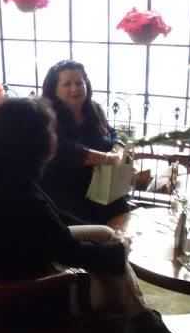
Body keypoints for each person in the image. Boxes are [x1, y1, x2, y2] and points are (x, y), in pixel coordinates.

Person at [0, 97, 190, 333]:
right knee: (116, 282)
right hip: (26, 299)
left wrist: (105, 236)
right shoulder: (22, 198)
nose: (54, 136)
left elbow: (52, 220)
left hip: (11, 266)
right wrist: (120, 251)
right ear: (33, 143)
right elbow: (70, 252)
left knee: (106, 236)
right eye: (49, 131)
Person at [40, 60, 130, 225]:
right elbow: (66, 151)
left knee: (124, 214)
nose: (75, 88)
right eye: (67, 84)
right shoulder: (47, 118)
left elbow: (112, 133)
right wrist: (108, 159)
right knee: (98, 231)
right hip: (65, 193)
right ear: (54, 89)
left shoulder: (94, 110)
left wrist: (118, 149)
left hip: (101, 189)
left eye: (79, 83)